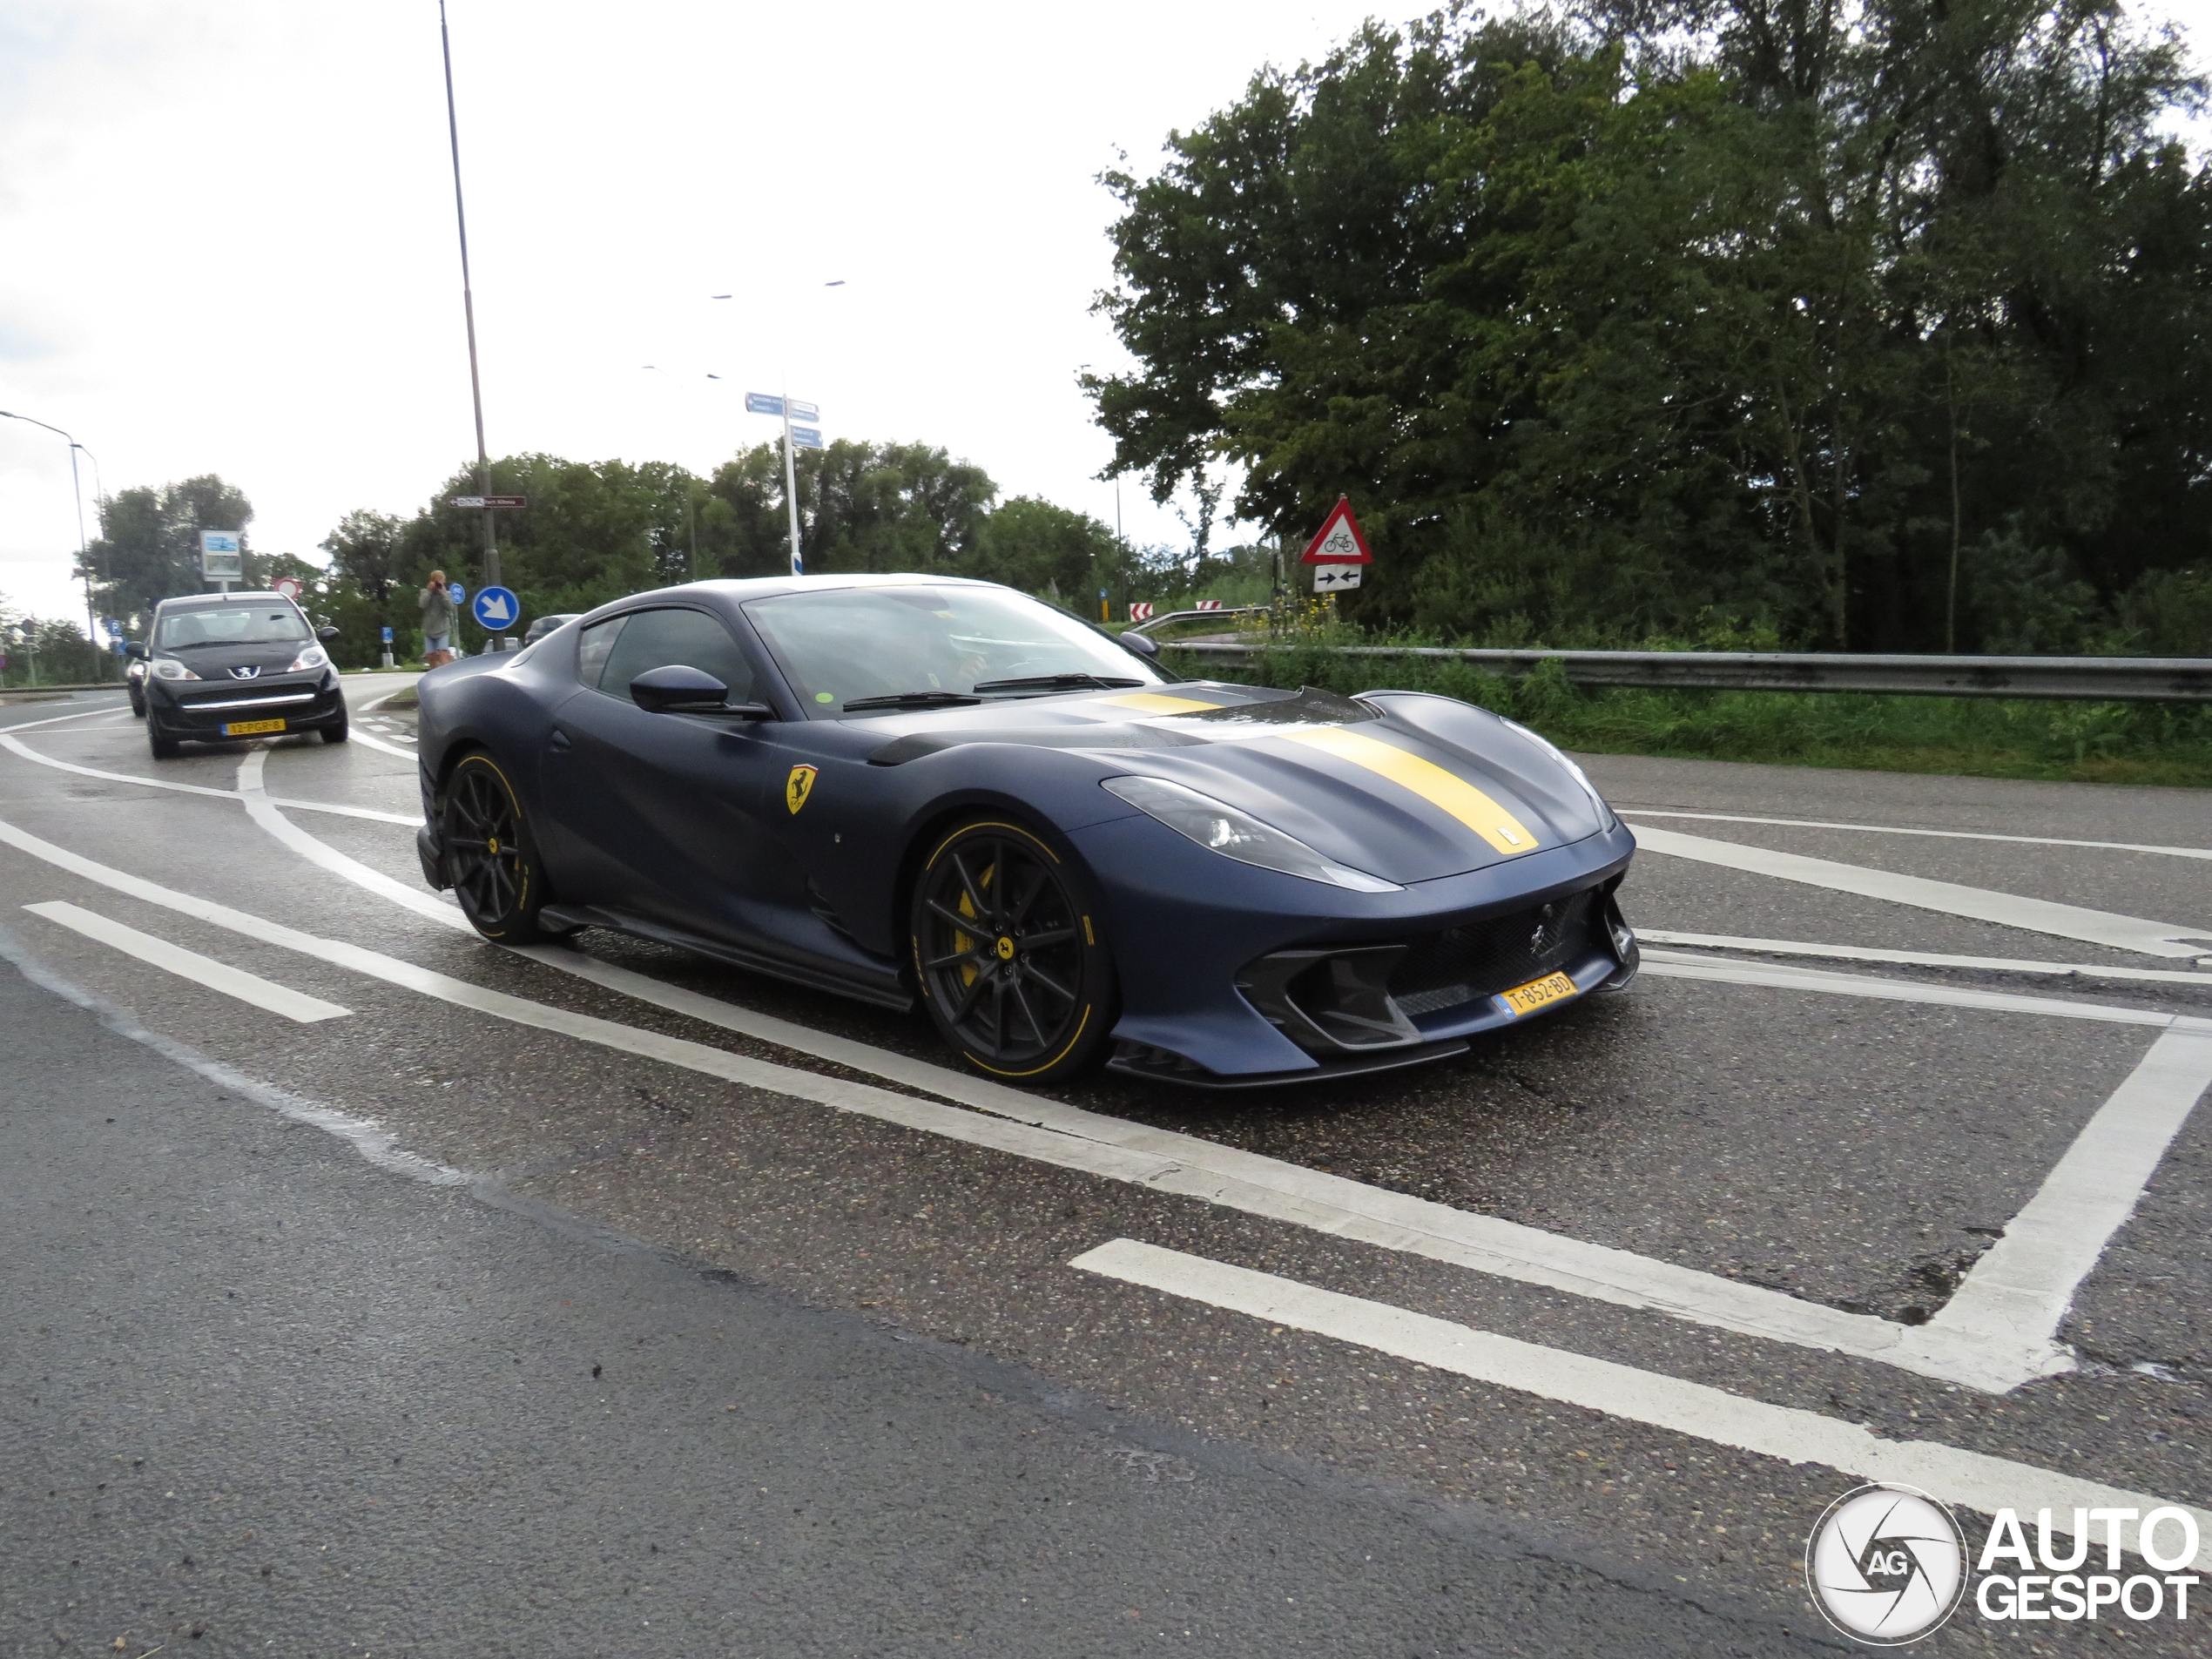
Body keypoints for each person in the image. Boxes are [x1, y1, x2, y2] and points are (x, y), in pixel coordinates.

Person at [419, 571, 458, 668]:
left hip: (442, 629)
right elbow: (422, 605)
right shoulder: (425, 592)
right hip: (429, 629)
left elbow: (450, 607)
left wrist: (442, 594)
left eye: (440, 581)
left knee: (443, 652)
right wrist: (429, 592)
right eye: (436, 581)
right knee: (431, 655)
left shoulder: (447, 594)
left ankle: (446, 674)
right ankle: (433, 673)